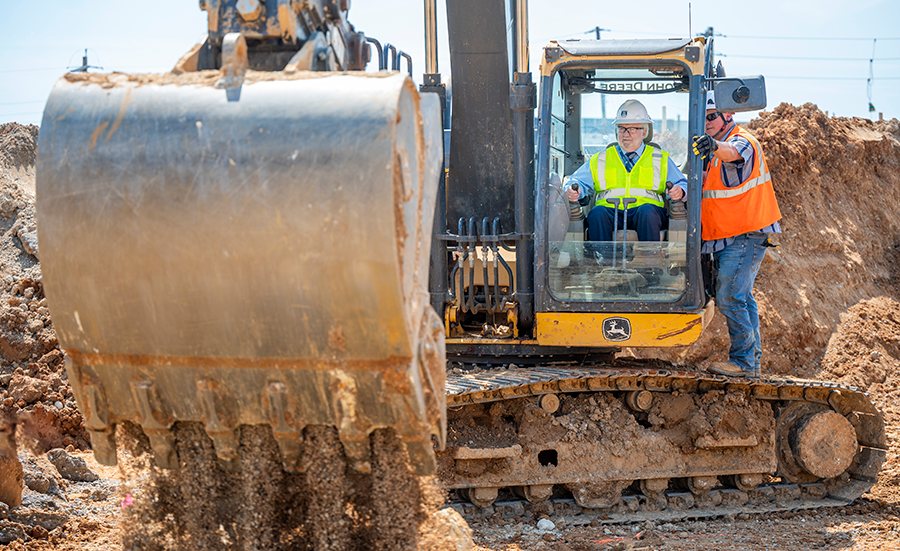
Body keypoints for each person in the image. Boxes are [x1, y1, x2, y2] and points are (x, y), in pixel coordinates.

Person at [693, 91, 782, 379]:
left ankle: (744, 363)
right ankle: (751, 362)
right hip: (729, 235)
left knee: (730, 295)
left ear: (727, 115)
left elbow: (734, 152)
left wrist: (713, 145)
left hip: (744, 233)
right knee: (742, 296)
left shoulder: (741, 139)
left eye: (711, 117)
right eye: (703, 118)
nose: (706, 122)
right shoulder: (711, 153)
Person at [566, 99, 687, 243]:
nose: (626, 134)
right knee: (596, 213)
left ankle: (651, 263)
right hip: (611, 212)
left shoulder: (660, 158)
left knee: (647, 212)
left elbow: (682, 184)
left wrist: (680, 191)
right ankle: (603, 263)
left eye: (632, 129)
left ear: (645, 132)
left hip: (647, 213)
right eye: (621, 128)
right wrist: (573, 190)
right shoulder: (600, 159)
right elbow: (576, 182)